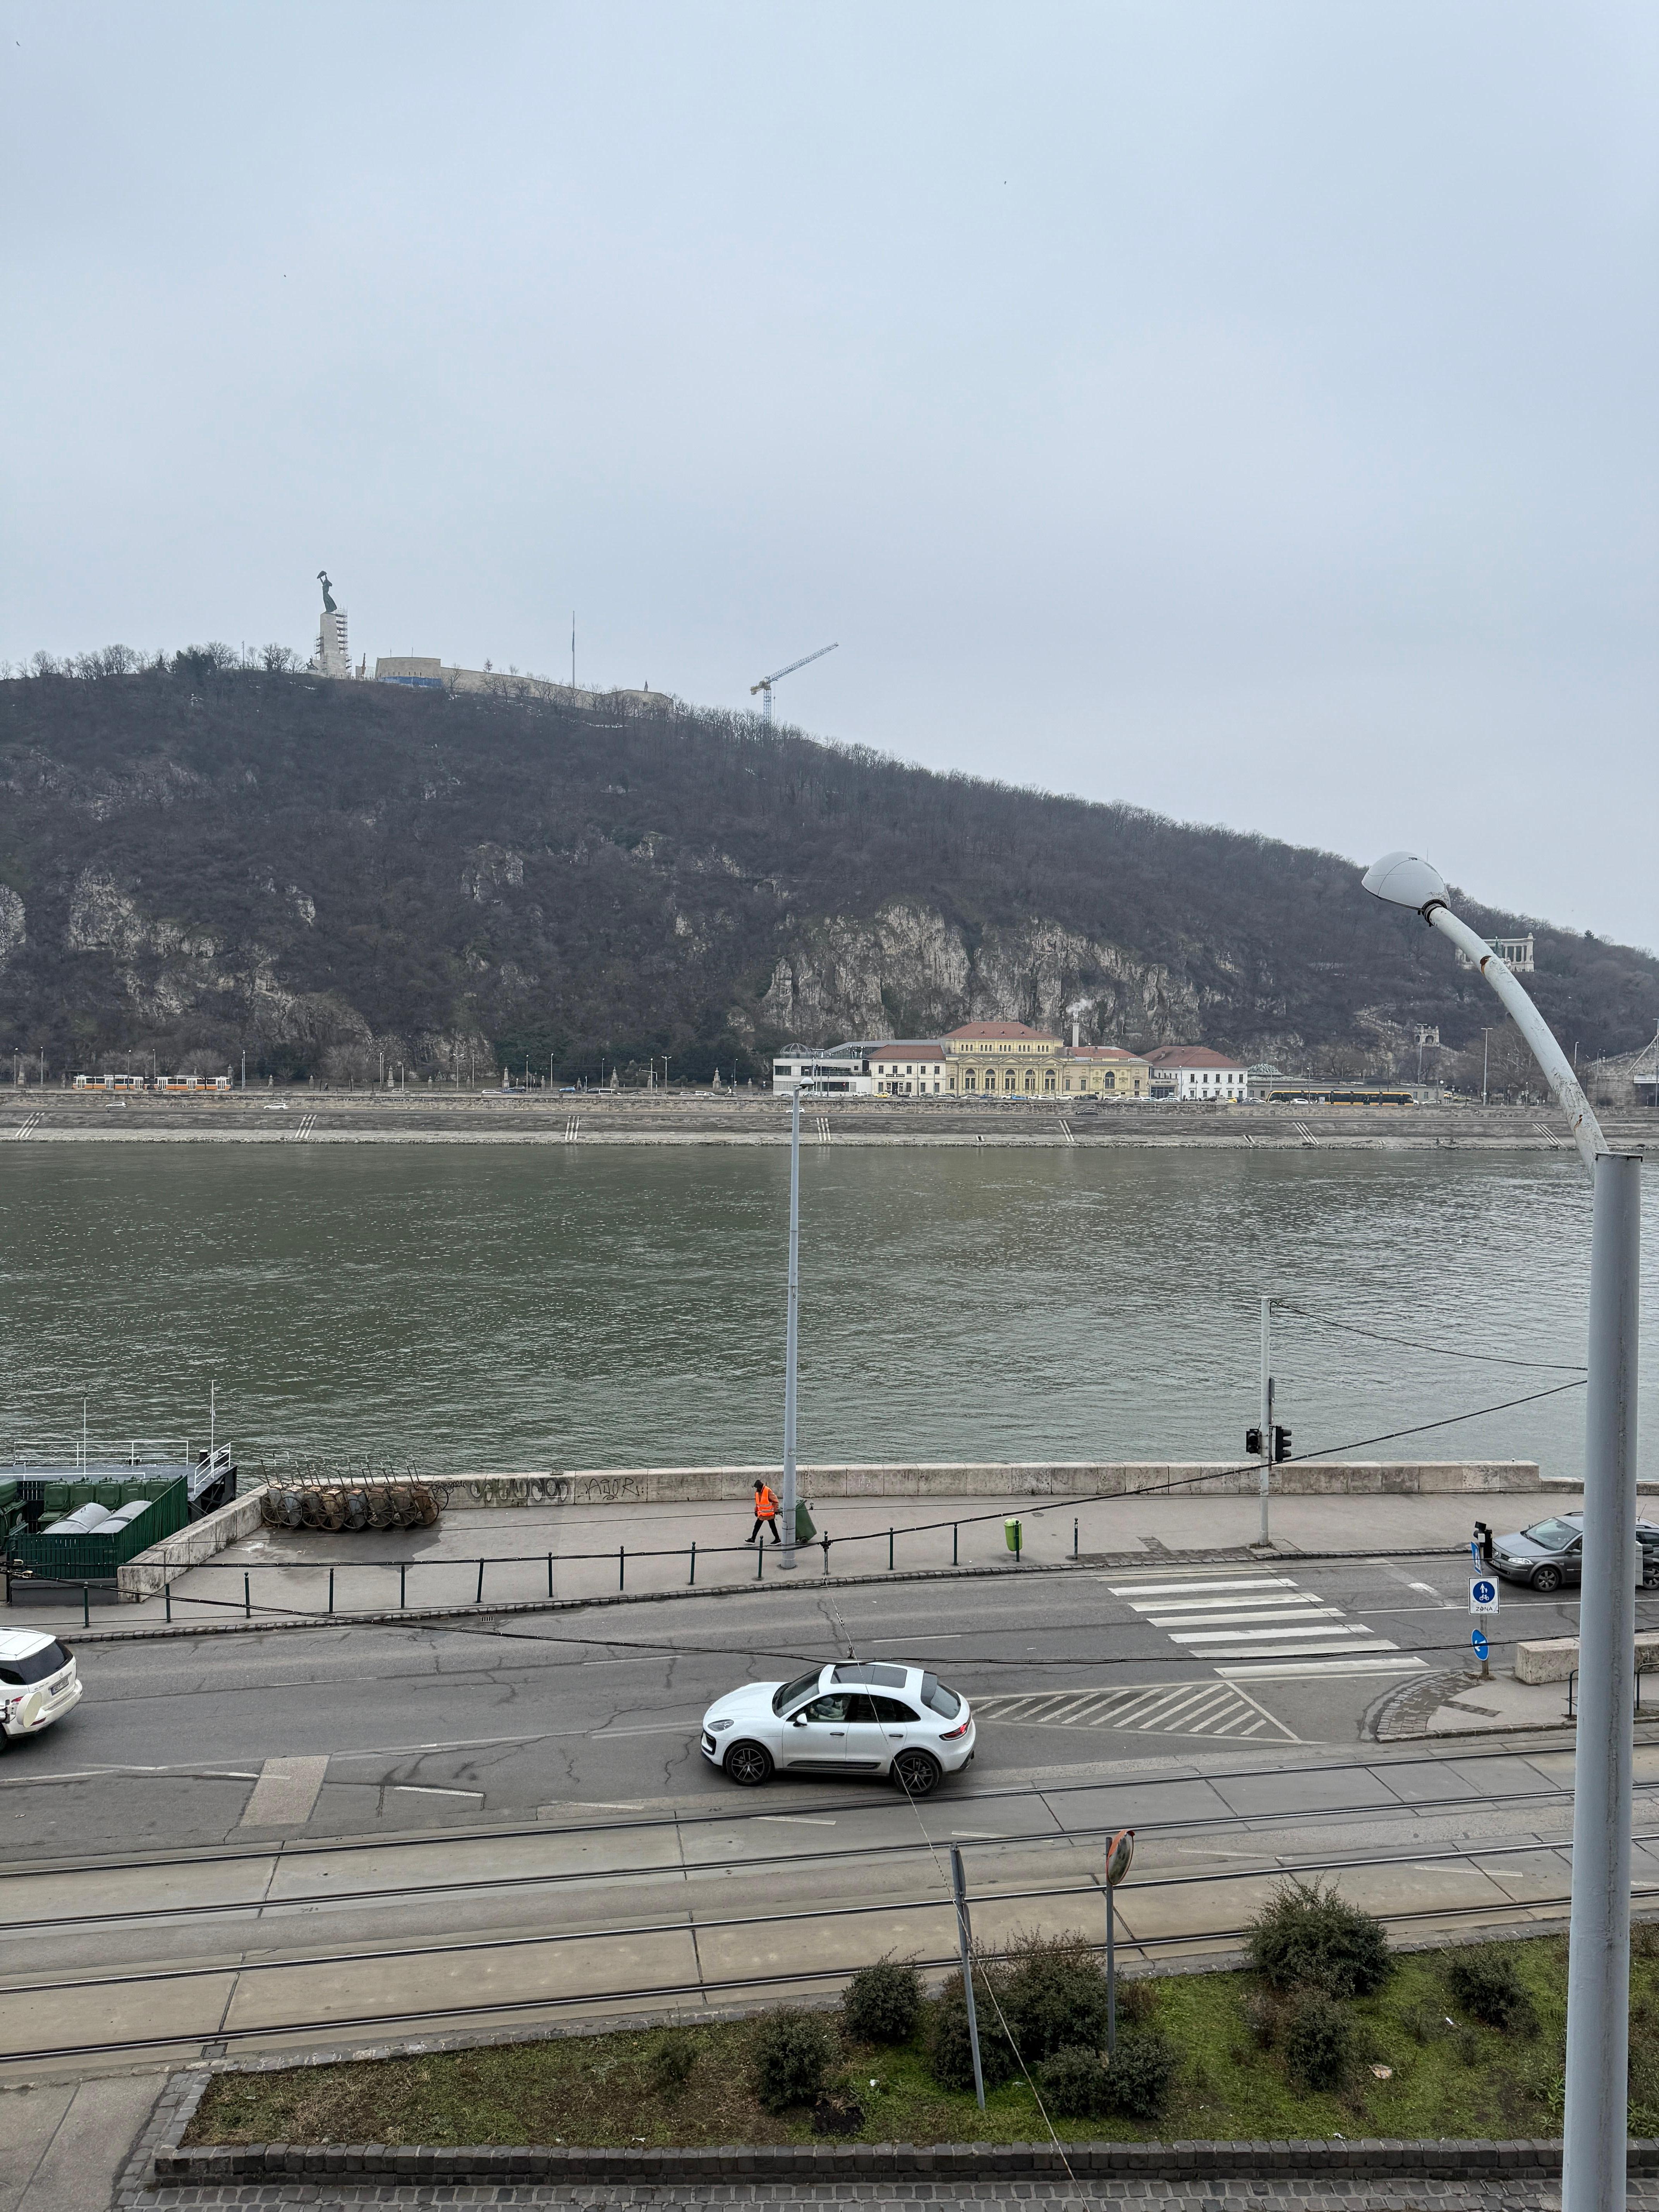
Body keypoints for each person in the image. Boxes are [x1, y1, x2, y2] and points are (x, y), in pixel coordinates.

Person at [747, 1478, 781, 1545]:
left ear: (760, 1487)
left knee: (772, 1527)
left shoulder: (768, 1491)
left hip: (769, 1514)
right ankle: (753, 1539)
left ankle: (777, 1539)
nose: (756, 1489)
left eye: (757, 1488)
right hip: (762, 1514)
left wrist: (776, 1510)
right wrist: (756, 1511)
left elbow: (776, 1501)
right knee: (757, 1526)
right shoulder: (758, 1493)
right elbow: (758, 1503)